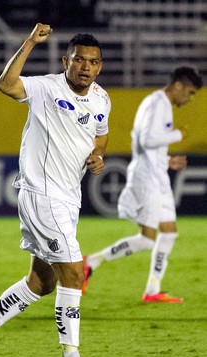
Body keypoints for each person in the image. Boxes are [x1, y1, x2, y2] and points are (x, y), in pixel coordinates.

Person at [0, 23, 110, 357]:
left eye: (92, 61)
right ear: (65, 61)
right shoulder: (45, 87)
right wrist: (29, 42)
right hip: (42, 195)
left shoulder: (102, 98)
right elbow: (6, 85)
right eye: (78, 60)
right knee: (74, 271)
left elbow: (100, 136)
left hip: (68, 199)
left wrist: (99, 157)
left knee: (41, 283)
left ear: (100, 66)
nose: (85, 67)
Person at [82, 66, 202, 303]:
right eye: (189, 93)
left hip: (158, 176)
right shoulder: (157, 104)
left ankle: (153, 290)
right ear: (178, 86)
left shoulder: (162, 105)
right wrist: (177, 135)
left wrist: (168, 159)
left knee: (168, 233)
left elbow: (148, 144)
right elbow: (147, 140)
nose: (188, 99)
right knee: (148, 239)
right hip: (147, 178)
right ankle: (91, 262)